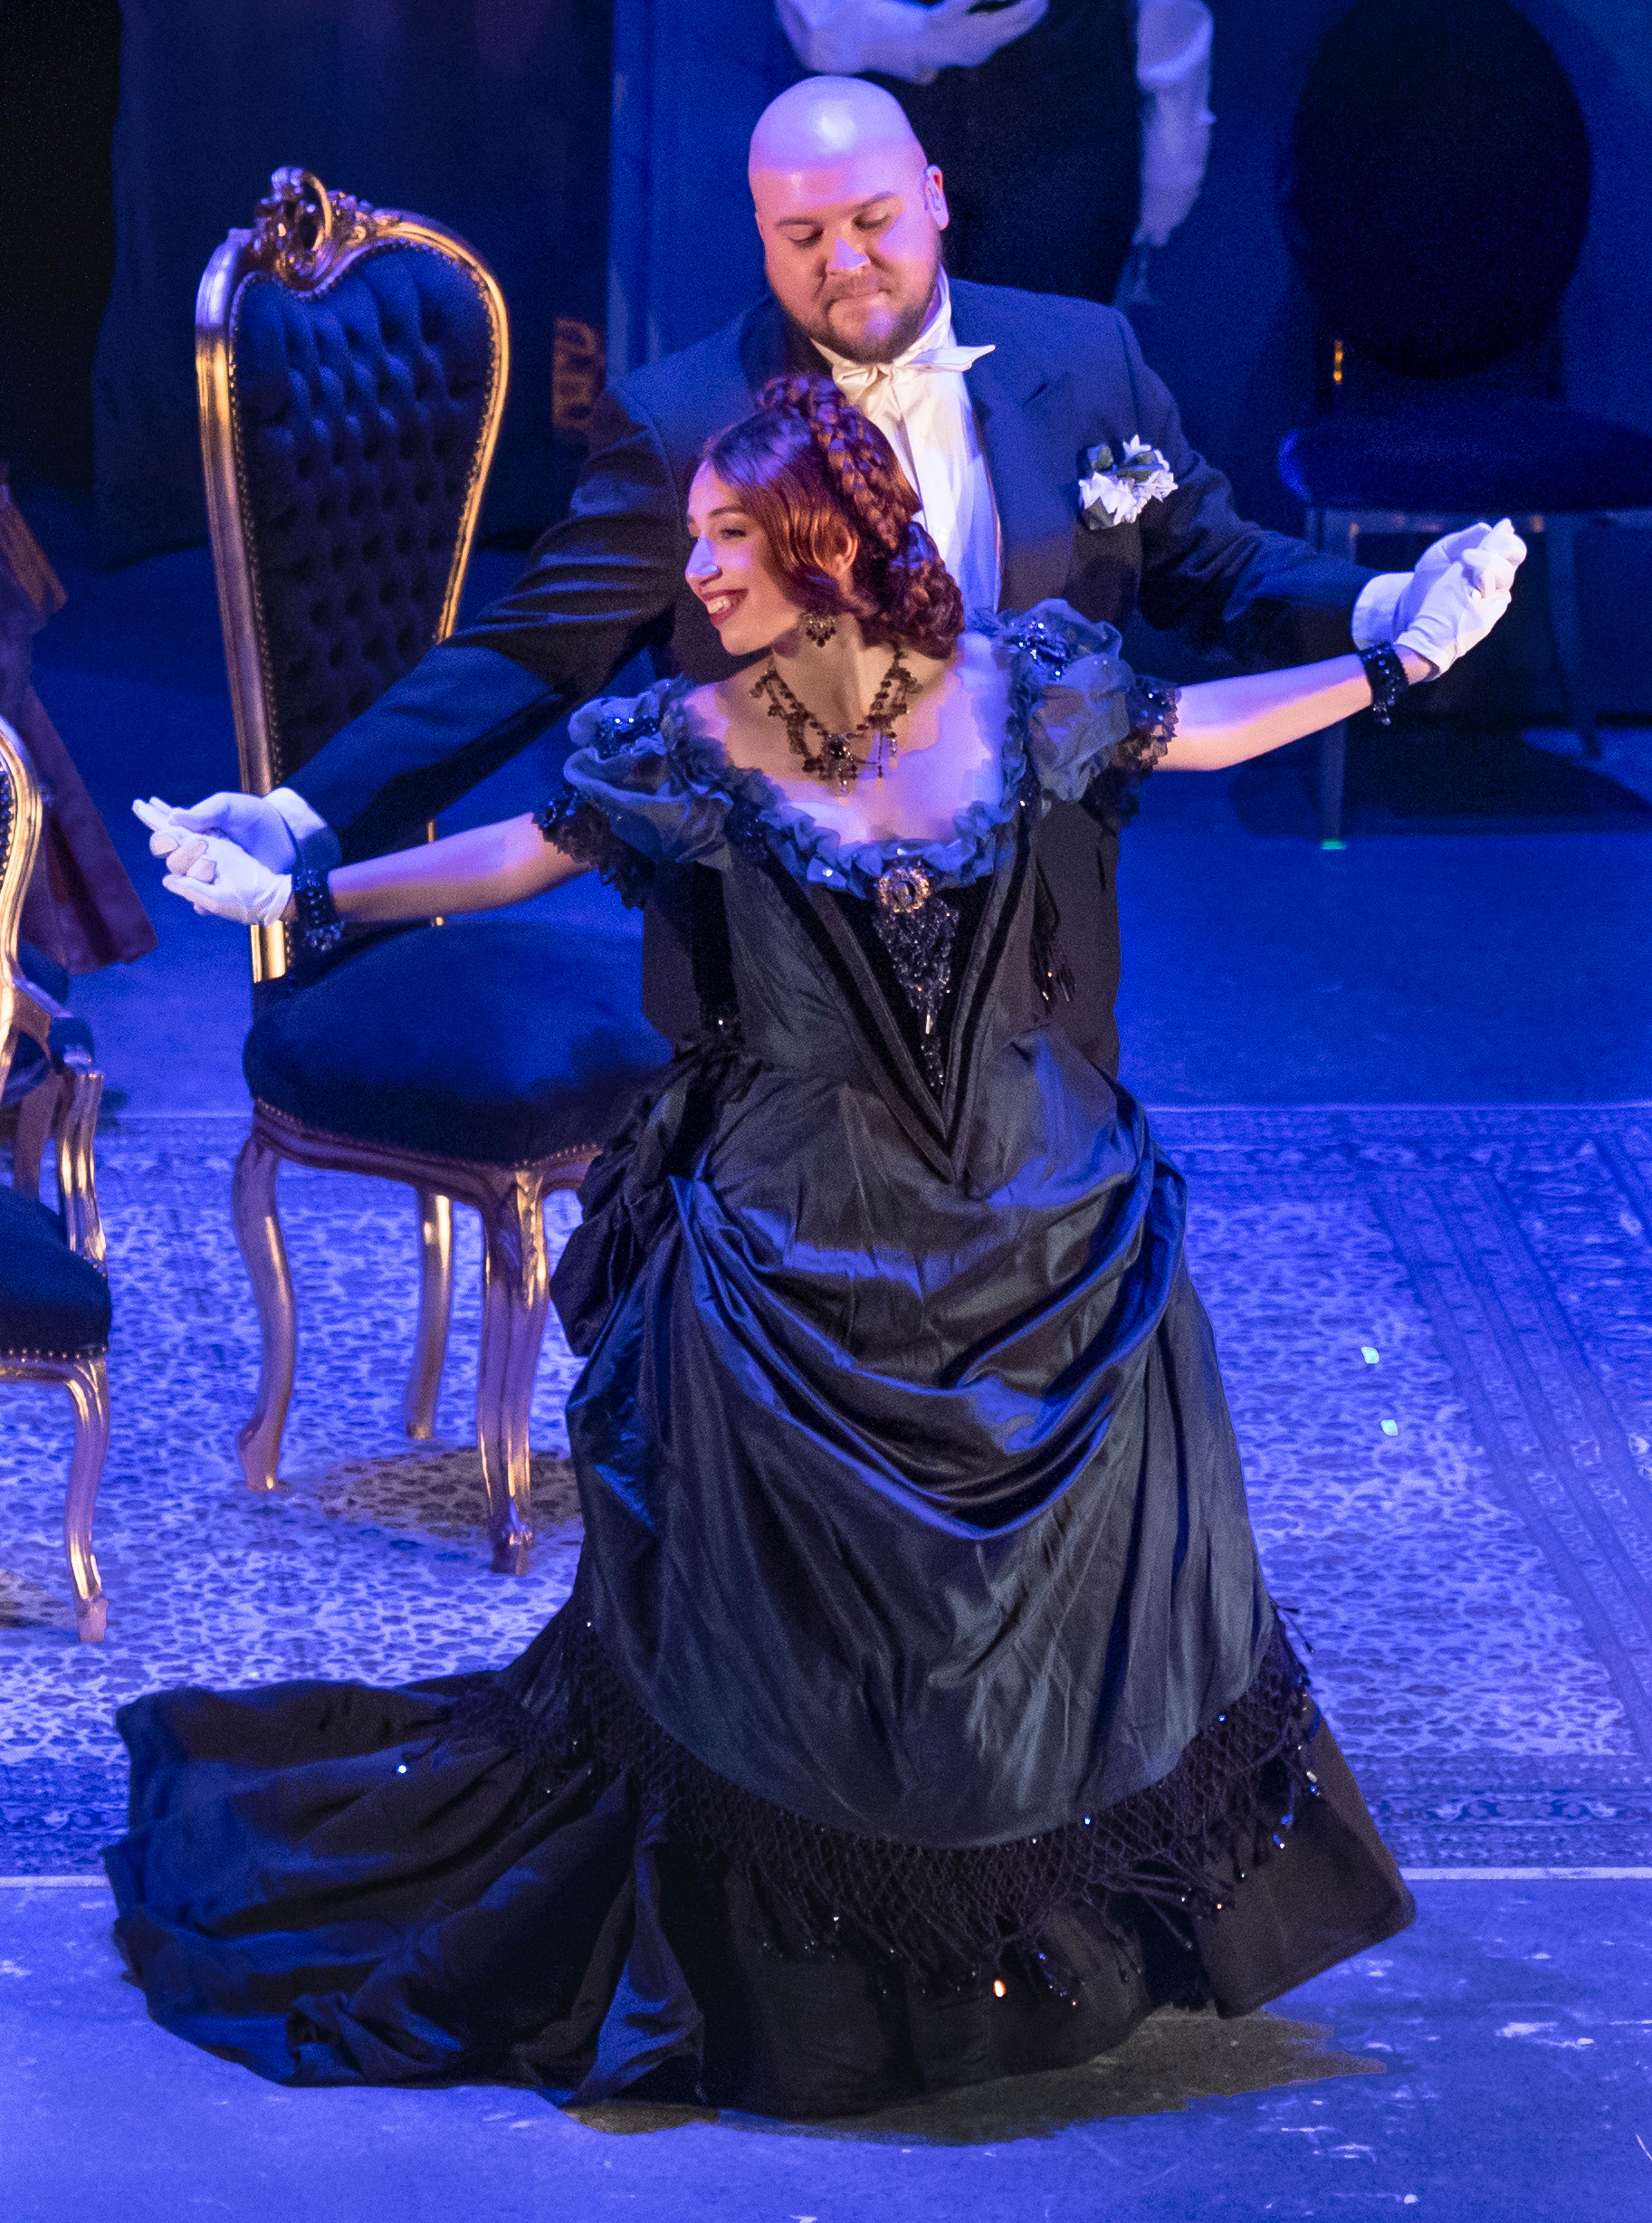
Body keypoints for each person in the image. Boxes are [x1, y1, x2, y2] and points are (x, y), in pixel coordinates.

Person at [113, 378, 1518, 2117]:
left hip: (1035, 1208)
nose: (697, 567)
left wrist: (1395, 660)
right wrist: (310, 888)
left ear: (831, 541)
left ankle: (1039, 1949)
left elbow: (1208, 726)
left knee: (1069, 1604)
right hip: (797, 1228)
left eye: (730, 533)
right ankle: (826, 1986)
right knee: (798, 1634)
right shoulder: (693, 740)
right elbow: (516, 858)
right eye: (693, 532)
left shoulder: (1026, 686)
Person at [148, 75, 1521, 1083]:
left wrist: (1383, 614)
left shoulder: (1085, 358)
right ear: (760, 236)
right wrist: (304, 818)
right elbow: (532, 656)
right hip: (776, 984)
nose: (844, 263)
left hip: (1041, 945)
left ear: (934, 199)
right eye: (801, 237)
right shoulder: (683, 422)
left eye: (871, 220)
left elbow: (1205, 563)